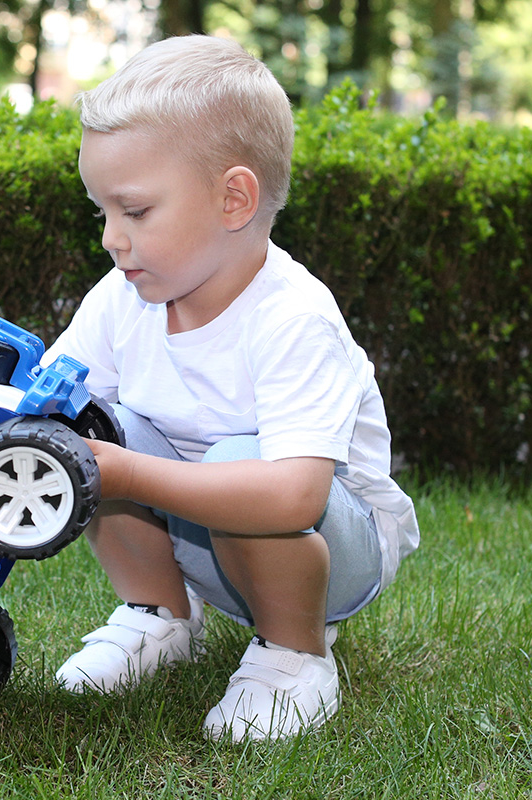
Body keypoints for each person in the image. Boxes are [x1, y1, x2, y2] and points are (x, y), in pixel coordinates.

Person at [42, 34, 420, 742]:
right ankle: (162, 615)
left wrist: (126, 471)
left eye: (135, 211)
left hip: (328, 551)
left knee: (232, 464)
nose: (110, 240)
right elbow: (54, 400)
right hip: (195, 533)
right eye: (102, 213)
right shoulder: (122, 299)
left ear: (234, 199)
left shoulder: (293, 317)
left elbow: (294, 496)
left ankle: (294, 655)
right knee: (87, 424)